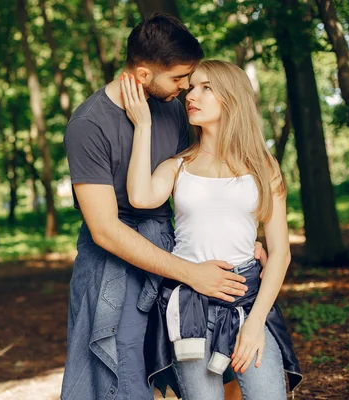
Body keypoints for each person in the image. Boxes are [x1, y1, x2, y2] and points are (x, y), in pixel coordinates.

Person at [61, 13, 267, 400]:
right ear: (142, 75)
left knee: (209, 363)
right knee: (124, 376)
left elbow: (214, 169)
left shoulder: (175, 104)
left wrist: (245, 236)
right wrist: (191, 273)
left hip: (172, 242)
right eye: (177, 79)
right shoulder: (88, 125)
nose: (186, 88)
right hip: (113, 261)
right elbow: (105, 229)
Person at [121, 60, 302, 399]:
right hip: (190, 306)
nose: (192, 95)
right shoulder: (179, 166)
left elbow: (280, 252)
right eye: (191, 88)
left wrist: (255, 324)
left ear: (231, 98)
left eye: (206, 87)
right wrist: (142, 126)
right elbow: (139, 196)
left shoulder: (263, 166)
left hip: (247, 301)